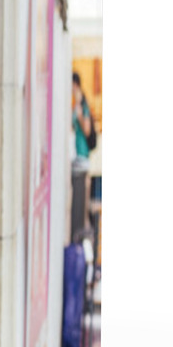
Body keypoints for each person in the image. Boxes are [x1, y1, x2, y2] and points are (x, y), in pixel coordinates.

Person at [70, 71, 93, 240]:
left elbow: (86, 129)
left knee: (81, 205)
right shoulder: (76, 104)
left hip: (82, 158)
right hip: (76, 157)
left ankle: (83, 237)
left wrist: (77, 113)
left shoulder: (82, 105)